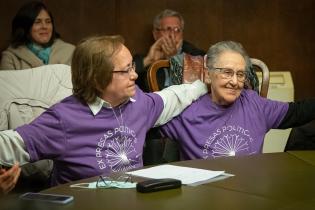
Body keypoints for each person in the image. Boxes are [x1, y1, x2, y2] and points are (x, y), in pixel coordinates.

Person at [0, 35, 207, 186]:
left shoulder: (137, 102)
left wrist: (205, 84)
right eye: (126, 70)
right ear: (98, 79)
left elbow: (172, 97)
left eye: (133, 67)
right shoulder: (63, 119)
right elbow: (8, 145)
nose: (135, 75)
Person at [160, 40, 315, 160]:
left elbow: (297, 112)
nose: (234, 81)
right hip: (204, 195)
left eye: (240, 74)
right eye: (227, 72)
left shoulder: (255, 104)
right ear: (208, 74)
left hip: (252, 194)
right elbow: (144, 122)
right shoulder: (187, 112)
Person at [133, 9, 205, 92]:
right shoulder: (142, 59)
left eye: (177, 30)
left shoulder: (197, 56)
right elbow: (126, 78)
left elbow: (192, 90)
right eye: (167, 29)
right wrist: (148, 60)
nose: (172, 35)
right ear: (155, 34)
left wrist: (174, 59)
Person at [0, 1, 75, 70]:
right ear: (25, 27)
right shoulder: (10, 57)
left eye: (48, 22)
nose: (44, 26)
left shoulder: (70, 52)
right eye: (37, 22)